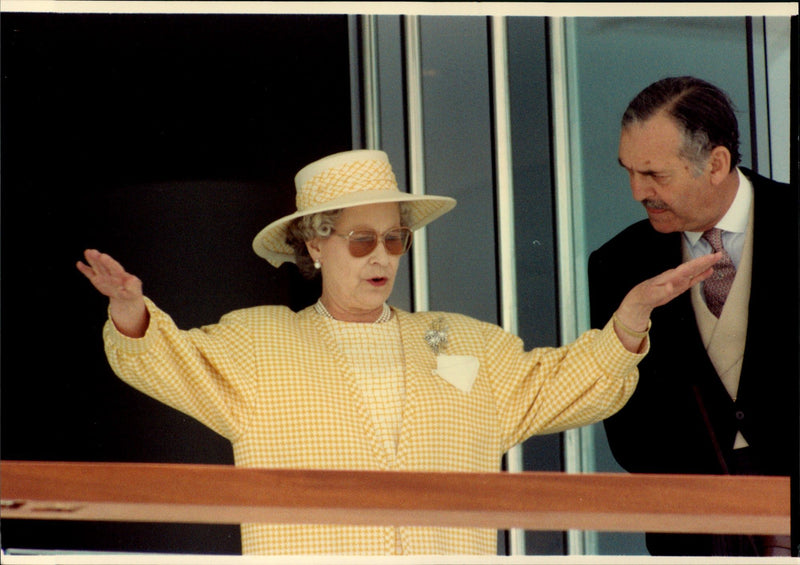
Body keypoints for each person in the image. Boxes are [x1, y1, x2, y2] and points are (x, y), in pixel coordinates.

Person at [77, 149, 718, 555]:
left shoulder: (467, 342)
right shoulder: (257, 342)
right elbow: (168, 362)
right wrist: (131, 309)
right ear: (315, 245)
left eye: (395, 239)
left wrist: (631, 318)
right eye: (361, 240)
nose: (382, 255)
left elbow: (566, 384)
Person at [588, 77, 798, 557]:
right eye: (629, 172)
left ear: (717, 163)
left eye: (655, 175)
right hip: (689, 530)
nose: (637, 192)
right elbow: (625, 427)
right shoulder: (617, 263)